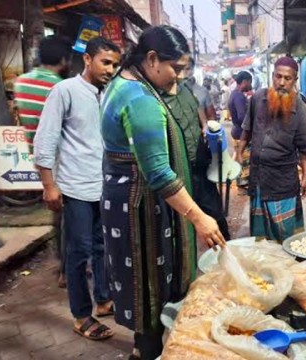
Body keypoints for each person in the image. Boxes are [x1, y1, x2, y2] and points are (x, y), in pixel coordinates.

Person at [100, 25, 226, 359]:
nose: (179, 77)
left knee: (150, 293)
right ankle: (148, 350)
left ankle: (145, 347)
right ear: (152, 59)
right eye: (176, 68)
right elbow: (157, 172)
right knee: (150, 289)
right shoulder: (140, 100)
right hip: (140, 212)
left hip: (127, 201)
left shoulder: (124, 81)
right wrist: (200, 218)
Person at [34, 37, 121, 341]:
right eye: (105, 62)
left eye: (114, 64)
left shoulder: (109, 94)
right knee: (78, 252)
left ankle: (104, 298)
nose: (110, 69)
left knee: (102, 248)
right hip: (74, 188)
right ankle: (81, 315)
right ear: (88, 59)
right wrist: (49, 184)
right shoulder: (65, 91)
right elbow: (46, 138)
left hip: (103, 186)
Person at [236, 57, 306, 242]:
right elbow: (247, 128)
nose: (281, 82)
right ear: (272, 76)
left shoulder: (302, 112)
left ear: (295, 80)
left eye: (287, 78)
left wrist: (305, 177)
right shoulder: (258, 98)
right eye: (278, 76)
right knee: (260, 238)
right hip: (258, 178)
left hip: (282, 183)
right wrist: (240, 151)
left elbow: (305, 152)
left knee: (286, 238)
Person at [14, 36, 72, 288]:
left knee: (57, 212)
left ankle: (63, 263)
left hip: (38, 160)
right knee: (70, 215)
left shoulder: (20, 83)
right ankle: (67, 269)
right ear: (63, 60)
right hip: (63, 158)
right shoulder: (61, 87)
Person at [162, 65, 231, 241]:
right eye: (177, 68)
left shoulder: (187, 91)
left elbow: (202, 115)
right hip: (177, 169)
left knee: (215, 215)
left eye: (185, 69)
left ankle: (228, 253)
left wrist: (206, 127)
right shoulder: (156, 96)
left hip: (199, 164)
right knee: (182, 224)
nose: (182, 74)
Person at [228, 71, 253, 187]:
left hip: (237, 131)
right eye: (250, 82)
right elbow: (242, 116)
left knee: (241, 157)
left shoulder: (235, 94)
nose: (251, 85)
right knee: (244, 158)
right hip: (241, 133)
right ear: (244, 82)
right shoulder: (238, 96)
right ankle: (243, 184)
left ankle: (242, 182)